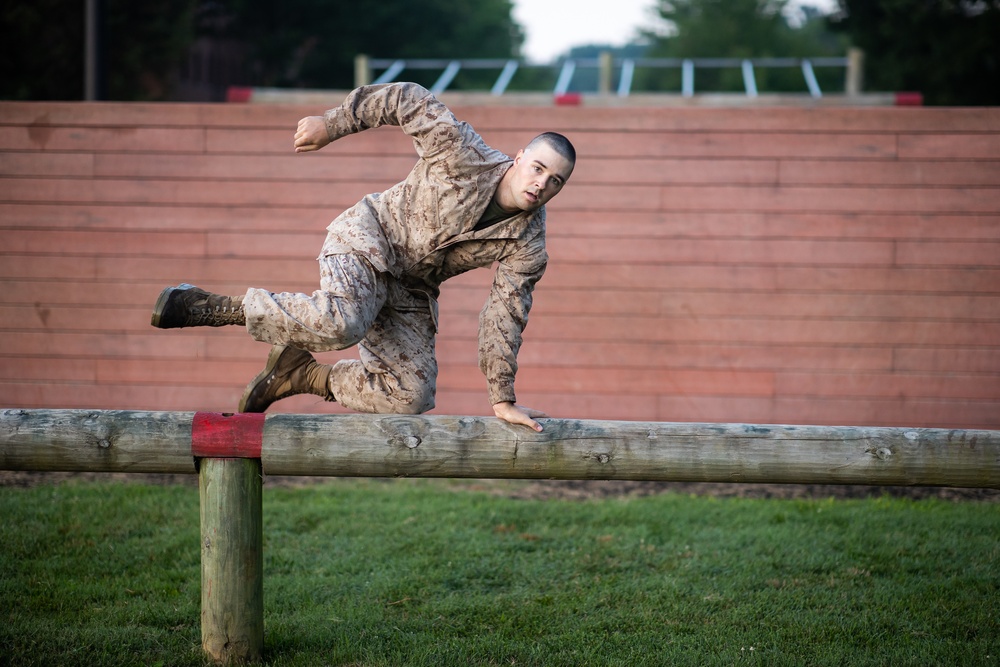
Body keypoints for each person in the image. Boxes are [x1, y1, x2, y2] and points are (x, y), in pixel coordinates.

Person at [150, 82, 575, 432]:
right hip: (369, 237)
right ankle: (215, 307)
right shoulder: (464, 154)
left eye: (555, 181)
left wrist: (502, 397)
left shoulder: (528, 245)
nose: (541, 184)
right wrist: (332, 124)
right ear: (520, 157)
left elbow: (505, 315)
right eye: (537, 168)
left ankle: (301, 374)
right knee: (342, 322)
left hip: (410, 285)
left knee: (411, 393)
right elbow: (407, 99)